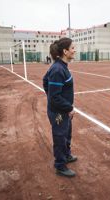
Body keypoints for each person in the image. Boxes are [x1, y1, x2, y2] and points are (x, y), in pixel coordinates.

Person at [43, 37, 77, 177]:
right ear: (65, 51)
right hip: (58, 112)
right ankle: (60, 166)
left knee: (66, 134)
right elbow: (54, 97)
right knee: (60, 138)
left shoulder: (61, 66)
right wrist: (69, 108)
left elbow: (45, 80)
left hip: (63, 110)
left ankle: (67, 155)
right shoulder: (58, 69)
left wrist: (66, 107)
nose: (75, 50)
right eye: (73, 48)